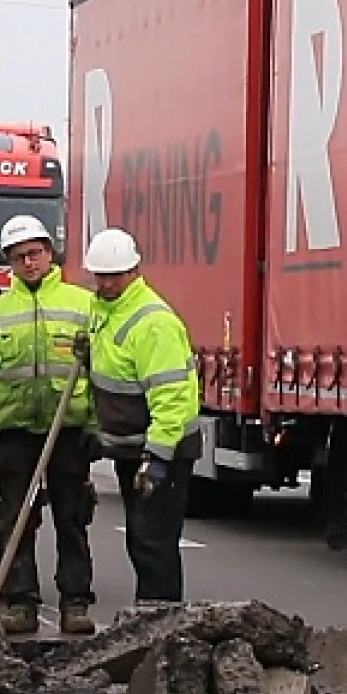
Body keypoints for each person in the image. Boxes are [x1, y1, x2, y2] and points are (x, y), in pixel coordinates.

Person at [0, 215, 100, 636]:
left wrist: (97, 426)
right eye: (20, 257)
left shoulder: (82, 305)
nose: (29, 262)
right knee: (16, 520)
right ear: (10, 262)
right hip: (17, 431)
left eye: (34, 253)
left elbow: (100, 371)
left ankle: (75, 601)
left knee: (71, 519)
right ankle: (22, 603)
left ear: (49, 253)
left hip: (68, 430)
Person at [79, 228, 201, 604]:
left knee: (153, 541)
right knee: (140, 536)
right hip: (131, 448)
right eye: (100, 276)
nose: (107, 283)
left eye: (114, 276)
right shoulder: (103, 313)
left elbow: (172, 398)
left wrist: (159, 456)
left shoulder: (153, 323)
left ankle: (160, 618)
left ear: (134, 270)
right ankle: (151, 616)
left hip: (162, 450)